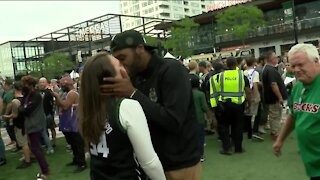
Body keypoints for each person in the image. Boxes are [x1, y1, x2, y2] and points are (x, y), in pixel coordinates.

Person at [102, 30, 200, 180]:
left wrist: (133, 93)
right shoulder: (134, 76)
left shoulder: (172, 70)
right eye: (116, 61)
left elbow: (173, 120)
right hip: (148, 165)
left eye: (122, 58)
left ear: (140, 49)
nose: (120, 65)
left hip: (179, 164)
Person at [79, 52, 165, 180]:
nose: (124, 68)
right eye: (119, 64)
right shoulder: (126, 106)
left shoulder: (88, 108)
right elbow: (149, 162)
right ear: (109, 76)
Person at [273, 44, 320, 180]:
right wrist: (280, 139)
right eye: (293, 66)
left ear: (315, 61)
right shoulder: (298, 86)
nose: (296, 70)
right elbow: (293, 115)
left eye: (300, 65)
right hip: (312, 163)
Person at [211, 57, 251, 155]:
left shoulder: (219, 76)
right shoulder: (242, 75)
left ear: (226, 65)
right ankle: (238, 148)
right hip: (238, 105)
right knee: (238, 126)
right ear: (236, 64)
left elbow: (215, 91)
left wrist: (214, 106)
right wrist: (249, 103)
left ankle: (227, 148)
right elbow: (247, 91)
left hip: (224, 105)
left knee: (224, 126)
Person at [52, 76, 86, 173]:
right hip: (70, 123)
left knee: (77, 143)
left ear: (68, 85)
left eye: (63, 85)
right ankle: (76, 160)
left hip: (74, 123)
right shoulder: (68, 93)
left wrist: (57, 97)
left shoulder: (71, 93)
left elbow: (65, 106)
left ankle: (81, 163)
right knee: (73, 143)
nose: (61, 87)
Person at [20, 75, 49, 179]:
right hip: (30, 125)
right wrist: (23, 108)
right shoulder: (27, 95)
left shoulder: (36, 95)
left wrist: (23, 109)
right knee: (35, 148)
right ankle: (44, 168)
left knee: (36, 149)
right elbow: (22, 107)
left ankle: (45, 172)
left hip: (36, 124)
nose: (23, 86)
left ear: (30, 85)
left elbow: (27, 110)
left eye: (25, 84)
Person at [3, 81, 32, 169]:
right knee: (28, 141)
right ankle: (30, 156)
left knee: (23, 143)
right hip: (27, 122)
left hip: (19, 124)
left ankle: (27, 161)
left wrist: (6, 116)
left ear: (14, 89)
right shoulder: (26, 98)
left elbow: (15, 115)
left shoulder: (15, 101)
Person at [262, 51, 288, 141]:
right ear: (272, 59)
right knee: (275, 116)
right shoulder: (271, 70)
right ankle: (275, 133)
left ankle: (275, 132)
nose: (277, 58)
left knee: (275, 115)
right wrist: (280, 97)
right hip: (274, 98)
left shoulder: (267, 69)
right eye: (275, 57)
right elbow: (273, 84)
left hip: (271, 97)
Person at [190, 75, 208, 162]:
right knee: (200, 138)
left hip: (189, 119)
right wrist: (209, 116)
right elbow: (204, 107)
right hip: (199, 119)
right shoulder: (200, 94)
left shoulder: (186, 94)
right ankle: (201, 155)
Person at [39, 77, 56, 151]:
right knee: (44, 130)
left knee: (52, 128)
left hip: (49, 113)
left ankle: (54, 142)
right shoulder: (39, 92)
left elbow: (52, 103)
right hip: (42, 114)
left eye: (43, 82)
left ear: (46, 83)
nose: (41, 84)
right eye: (40, 82)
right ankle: (47, 142)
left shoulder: (49, 92)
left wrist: (52, 113)